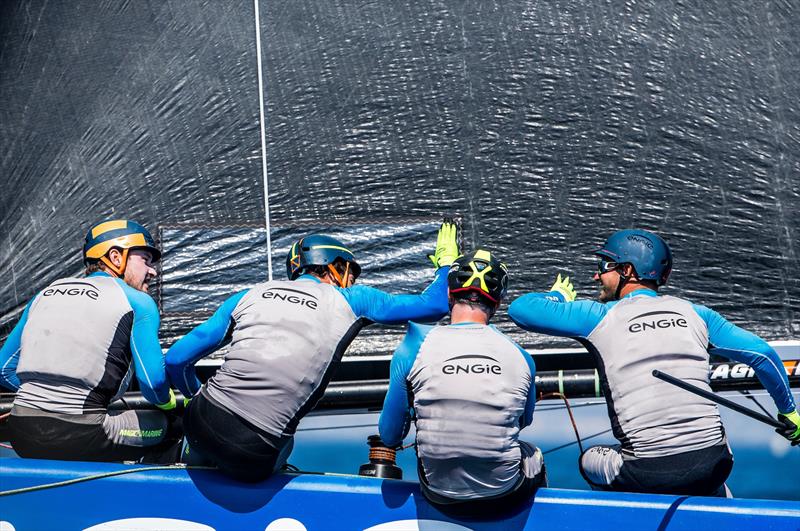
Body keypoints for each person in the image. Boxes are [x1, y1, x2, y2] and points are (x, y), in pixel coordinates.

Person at [508, 228, 799, 497]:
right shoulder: (696, 314)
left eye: (604, 266)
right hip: (717, 465)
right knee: (705, 465)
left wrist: (558, 296)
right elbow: (762, 354)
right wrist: (789, 412)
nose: (597, 276)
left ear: (627, 271)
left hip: (647, 473)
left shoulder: (598, 316)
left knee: (588, 460)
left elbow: (521, 309)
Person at [165, 221, 459, 482]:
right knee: (285, 444)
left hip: (199, 420)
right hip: (253, 450)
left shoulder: (249, 295)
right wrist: (446, 265)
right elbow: (435, 305)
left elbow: (177, 359)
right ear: (335, 266)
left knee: (206, 447)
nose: (352, 281)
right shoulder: (353, 299)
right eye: (350, 273)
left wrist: (195, 395)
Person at [379, 250, 545, 515]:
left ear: (448, 294)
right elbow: (523, 421)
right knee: (532, 453)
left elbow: (389, 436)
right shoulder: (521, 356)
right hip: (502, 494)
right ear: (498, 302)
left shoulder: (414, 345)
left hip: (439, 493)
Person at [0, 219, 181, 463]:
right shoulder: (138, 301)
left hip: (22, 432)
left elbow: (3, 368)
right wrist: (170, 404)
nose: (152, 271)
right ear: (115, 257)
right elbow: (152, 382)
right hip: (83, 435)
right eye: (145, 260)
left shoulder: (45, 293)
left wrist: (47, 397)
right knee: (170, 424)